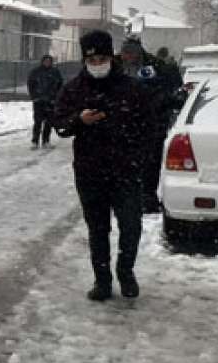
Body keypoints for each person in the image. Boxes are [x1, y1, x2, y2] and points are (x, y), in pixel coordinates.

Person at [53, 31, 151, 301]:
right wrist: (78, 120)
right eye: (92, 59)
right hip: (90, 171)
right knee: (98, 229)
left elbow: (149, 126)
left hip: (126, 169)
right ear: (85, 60)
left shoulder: (132, 89)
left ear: (111, 57)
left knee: (131, 225)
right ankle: (102, 280)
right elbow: (59, 125)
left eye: (102, 58)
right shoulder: (73, 89)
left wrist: (137, 155)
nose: (98, 64)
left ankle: (126, 270)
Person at [119, 37, 184, 213]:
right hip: (126, 125)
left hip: (152, 123)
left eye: (131, 53)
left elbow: (173, 86)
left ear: (138, 52)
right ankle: (129, 197)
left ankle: (147, 197)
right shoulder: (117, 66)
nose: (127, 57)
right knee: (128, 162)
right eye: (125, 53)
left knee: (151, 162)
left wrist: (159, 101)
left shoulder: (156, 66)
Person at [27, 54, 64, 149]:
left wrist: (56, 98)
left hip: (51, 101)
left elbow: (60, 85)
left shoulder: (55, 72)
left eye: (49, 61)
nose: (47, 63)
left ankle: (46, 140)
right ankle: (35, 141)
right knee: (37, 122)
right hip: (39, 101)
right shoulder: (36, 72)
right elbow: (31, 85)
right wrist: (34, 96)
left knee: (49, 122)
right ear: (42, 61)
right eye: (45, 61)